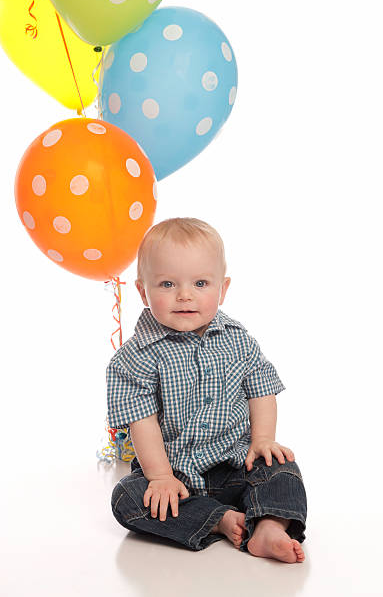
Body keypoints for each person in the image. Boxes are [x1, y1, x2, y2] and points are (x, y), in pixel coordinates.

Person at [107, 217, 307, 563]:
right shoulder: (133, 358)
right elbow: (142, 420)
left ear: (223, 289)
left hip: (234, 465)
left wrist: (262, 441)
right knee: (127, 498)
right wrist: (160, 477)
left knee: (282, 469)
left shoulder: (237, 339)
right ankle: (220, 521)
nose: (185, 295)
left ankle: (270, 525)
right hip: (175, 476)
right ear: (142, 291)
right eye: (167, 284)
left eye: (200, 283)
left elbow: (261, 387)